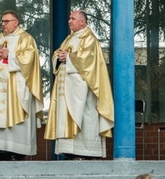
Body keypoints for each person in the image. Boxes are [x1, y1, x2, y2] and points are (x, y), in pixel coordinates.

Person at [45, 9, 114, 159]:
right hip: (67, 88)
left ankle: (86, 153)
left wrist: (68, 57)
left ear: (83, 22)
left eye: (73, 18)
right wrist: (59, 57)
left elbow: (88, 61)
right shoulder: (69, 39)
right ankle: (70, 152)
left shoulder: (89, 39)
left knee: (86, 117)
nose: (69, 21)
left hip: (83, 90)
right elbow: (58, 54)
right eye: (69, 18)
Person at [0, 10, 43, 160]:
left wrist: (10, 55)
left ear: (16, 22)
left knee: (16, 120)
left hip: (16, 87)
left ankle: (17, 152)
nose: (3, 24)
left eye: (6, 21)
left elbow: (30, 58)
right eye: (2, 21)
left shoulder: (26, 38)